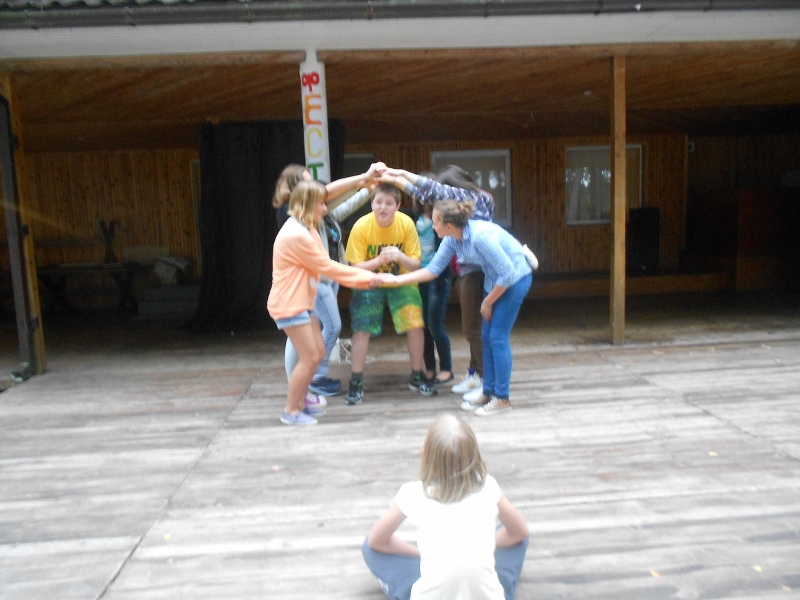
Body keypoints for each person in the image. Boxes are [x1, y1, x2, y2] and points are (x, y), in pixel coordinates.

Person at [375, 199, 532, 415]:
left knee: (497, 338)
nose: (432, 226)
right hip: (495, 281)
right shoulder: (451, 239)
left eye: (435, 222)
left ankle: (502, 398)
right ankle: (488, 391)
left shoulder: (480, 237)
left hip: (515, 279)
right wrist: (395, 280)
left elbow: (508, 273)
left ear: (448, 225)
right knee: (485, 337)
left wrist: (487, 302)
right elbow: (432, 270)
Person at [363, 413, 529, 600]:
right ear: (474, 456)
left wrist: (420, 554)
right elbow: (519, 533)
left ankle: (403, 592)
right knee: (515, 538)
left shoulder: (412, 493)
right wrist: (481, 547)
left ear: (424, 455)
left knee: (370, 550)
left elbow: (376, 542)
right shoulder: (487, 486)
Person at [267, 180, 382, 426]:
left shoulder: (307, 225)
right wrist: (367, 278)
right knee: (309, 357)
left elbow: (330, 192)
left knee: (318, 352)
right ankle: (291, 410)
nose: (324, 207)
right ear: (308, 205)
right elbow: (328, 267)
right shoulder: (297, 234)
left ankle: (300, 403)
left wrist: (363, 179)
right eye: (320, 204)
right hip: (289, 304)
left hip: (301, 302)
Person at [380, 166, 493, 404]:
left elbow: (431, 189)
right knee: (471, 327)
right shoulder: (460, 209)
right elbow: (426, 195)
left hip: (479, 271)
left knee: (473, 329)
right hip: (466, 269)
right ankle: (475, 372)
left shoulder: (475, 198)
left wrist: (398, 174)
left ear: (455, 187)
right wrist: (396, 180)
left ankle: (486, 381)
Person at [343, 183, 437, 405]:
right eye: (378, 202)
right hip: (368, 280)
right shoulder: (361, 226)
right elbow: (355, 267)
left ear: (398, 205)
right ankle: (355, 381)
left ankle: (417, 375)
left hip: (401, 280)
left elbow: (416, 265)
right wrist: (379, 261)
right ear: (371, 204)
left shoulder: (406, 224)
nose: (382, 207)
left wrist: (400, 257)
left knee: (415, 323)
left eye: (388, 203)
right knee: (361, 327)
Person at [414, 196, 453, 384]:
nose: (421, 197)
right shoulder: (413, 217)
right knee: (423, 325)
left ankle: (446, 368)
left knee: (434, 324)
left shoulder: (442, 217)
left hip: (438, 276)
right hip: (418, 275)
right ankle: (429, 367)